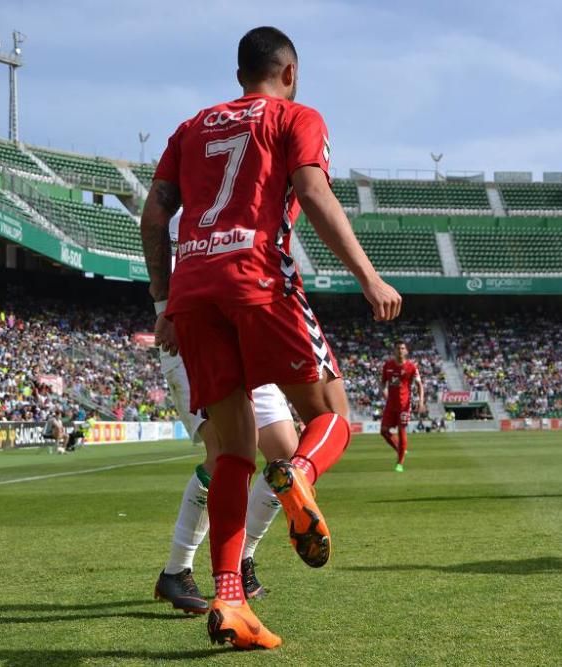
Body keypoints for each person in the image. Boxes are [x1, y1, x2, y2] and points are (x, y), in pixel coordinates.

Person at [141, 26, 401, 649]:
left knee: (232, 452)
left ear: (239, 75)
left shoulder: (191, 127)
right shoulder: (295, 116)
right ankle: (300, 474)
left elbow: (155, 217)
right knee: (333, 414)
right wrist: (368, 276)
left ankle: (230, 602)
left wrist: (163, 301)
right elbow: (312, 190)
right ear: (291, 71)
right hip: (258, 279)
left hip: (194, 292)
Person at [153, 344, 300, 614]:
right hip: (199, 340)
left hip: (247, 343)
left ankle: (242, 556)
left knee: (283, 454)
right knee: (225, 449)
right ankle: (176, 570)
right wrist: (169, 309)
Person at [379, 341, 423, 472]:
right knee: (384, 431)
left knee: (401, 431)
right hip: (390, 405)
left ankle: (400, 463)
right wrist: (384, 392)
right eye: (398, 348)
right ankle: (400, 449)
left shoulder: (411, 367)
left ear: (406, 351)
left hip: (404, 405)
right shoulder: (388, 365)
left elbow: (419, 385)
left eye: (402, 348)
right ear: (394, 350)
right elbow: (382, 383)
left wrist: (421, 402)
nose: (400, 350)